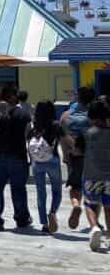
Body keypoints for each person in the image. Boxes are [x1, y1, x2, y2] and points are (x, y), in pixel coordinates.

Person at [0, 85, 33, 231]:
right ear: (12, 96)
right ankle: (21, 218)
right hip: (17, 155)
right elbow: (28, 133)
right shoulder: (21, 113)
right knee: (18, 188)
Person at [61, 87, 95, 230]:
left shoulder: (65, 116)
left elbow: (62, 138)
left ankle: (76, 205)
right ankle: (94, 222)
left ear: (78, 98)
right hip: (91, 158)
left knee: (75, 187)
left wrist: (65, 156)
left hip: (73, 156)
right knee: (91, 189)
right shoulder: (93, 118)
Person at [28, 100, 63, 234]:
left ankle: (44, 224)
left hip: (37, 163)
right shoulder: (55, 125)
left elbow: (28, 144)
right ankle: (52, 212)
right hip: (52, 161)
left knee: (41, 193)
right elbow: (65, 141)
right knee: (56, 191)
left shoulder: (33, 127)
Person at [80, 99, 110, 251]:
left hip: (91, 175)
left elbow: (77, 150)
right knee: (108, 207)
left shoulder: (87, 133)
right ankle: (109, 237)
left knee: (90, 204)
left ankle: (94, 227)